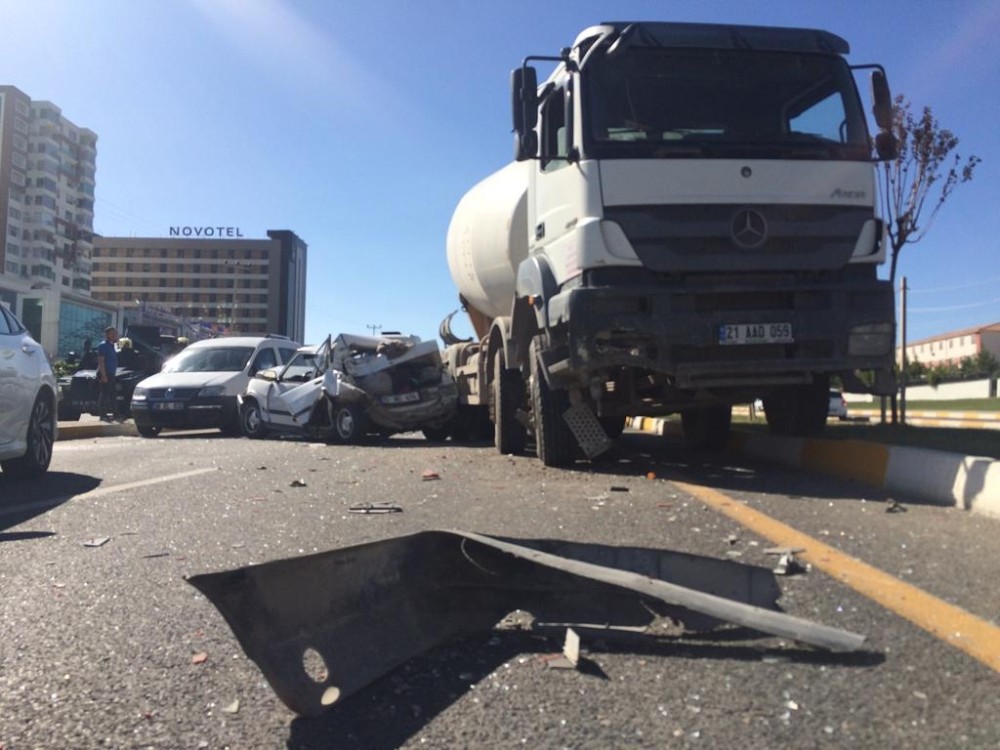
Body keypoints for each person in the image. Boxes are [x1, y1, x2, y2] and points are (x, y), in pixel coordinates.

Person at [96, 326, 120, 421]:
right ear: (107, 335)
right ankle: (103, 415)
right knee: (105, 395)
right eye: (112, 334)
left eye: (116, 333)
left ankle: (116, 414)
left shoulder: (112, 346)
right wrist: (104, 375)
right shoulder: (103, 346)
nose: (115, 335)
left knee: (112, 395)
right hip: (105, 373)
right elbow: (101, 361)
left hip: (111, 373)